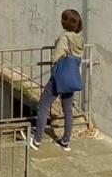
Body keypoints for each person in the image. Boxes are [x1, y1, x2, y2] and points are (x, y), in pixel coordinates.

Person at [30, 8, 84, 152]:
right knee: (68, 111)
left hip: (58, 78)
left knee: (43, 106)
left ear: (66, 22)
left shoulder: (64, 38)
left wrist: (57, 46)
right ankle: (65, 141)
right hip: (71, 79)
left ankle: (37, 140)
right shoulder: (80, 39)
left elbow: (55, 58)